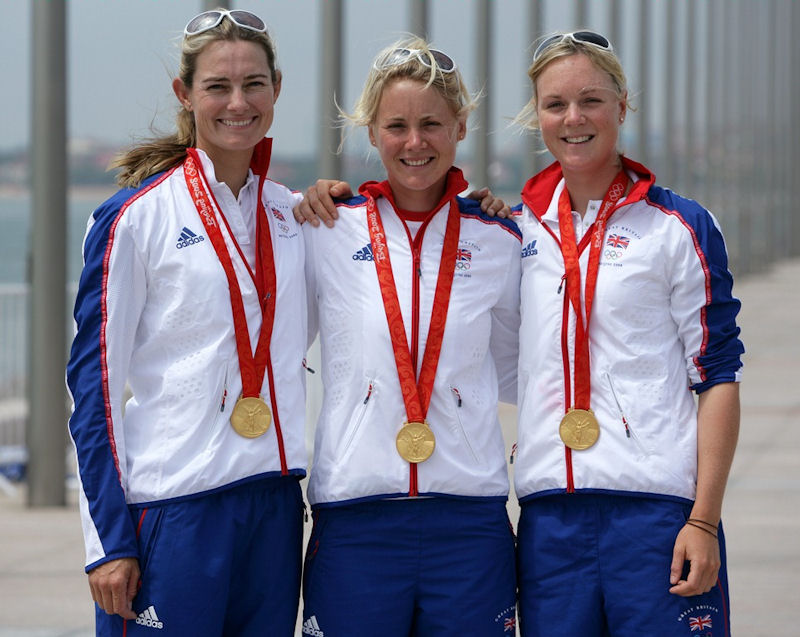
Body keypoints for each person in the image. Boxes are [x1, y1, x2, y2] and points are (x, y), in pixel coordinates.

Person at [66, 9, 308, 635]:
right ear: (185, 94)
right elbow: (93, 390)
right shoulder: (133, 218)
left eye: (254, 84)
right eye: (218, 87)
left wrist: (478, 203)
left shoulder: (295, 217)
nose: (238, 102)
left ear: (277, 89)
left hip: (274, 508)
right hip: (174, 512)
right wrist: (108, 540)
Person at [510, 31, 744, 636]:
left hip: (657, 518)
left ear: (622, 105)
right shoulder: (511, 232)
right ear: (537, 115)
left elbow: (717, 374)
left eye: (591, 100)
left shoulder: (679, 225)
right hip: (548, 519)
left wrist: (705, 521)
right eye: (555, 104)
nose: (573, 118)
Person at [299, 37, 521, 636]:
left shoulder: (502, 239)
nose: (415, 142)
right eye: (396, 125)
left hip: (468, 521)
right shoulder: (324, 228)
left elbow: (522, 371)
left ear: (461, 126)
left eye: (431, 123)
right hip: (355, 518)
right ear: (372, 132)